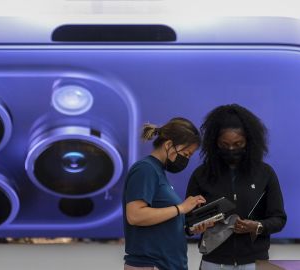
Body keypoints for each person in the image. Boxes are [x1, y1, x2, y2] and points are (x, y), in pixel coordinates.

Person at [186, 104, 287, 270]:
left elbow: (279, 219)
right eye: (224, 145)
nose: (231, 149)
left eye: (238, 144)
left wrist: (258, 227)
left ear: (249, 141)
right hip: (213, 262)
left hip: (254, 262)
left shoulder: (265, 173)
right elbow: (187, 222)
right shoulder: (201, 175)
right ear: (214, 143)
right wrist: (197, 227)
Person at [123, 117, 211, 270]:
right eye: (186, 154)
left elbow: (162, 222)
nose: (186, 159)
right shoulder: (145, 170)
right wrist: (181, 208)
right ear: (169, 145)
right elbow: (135, 215)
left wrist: (189, 228)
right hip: (151, 264)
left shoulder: (158, 171)